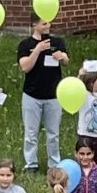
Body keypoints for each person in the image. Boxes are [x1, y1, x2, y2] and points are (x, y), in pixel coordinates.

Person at [17, 13, 69, 173]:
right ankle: (31, 164)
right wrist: (38, 50)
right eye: (44, 23)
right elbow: (25, 67)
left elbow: (66, 61)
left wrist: (61, 57)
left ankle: (54, 163)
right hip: (32, 95)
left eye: (49, 23)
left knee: (53, 133)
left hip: (54, 95)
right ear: (34, 25)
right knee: (31, 133)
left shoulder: (57, 42)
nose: (48, 26)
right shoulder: (25, 45)